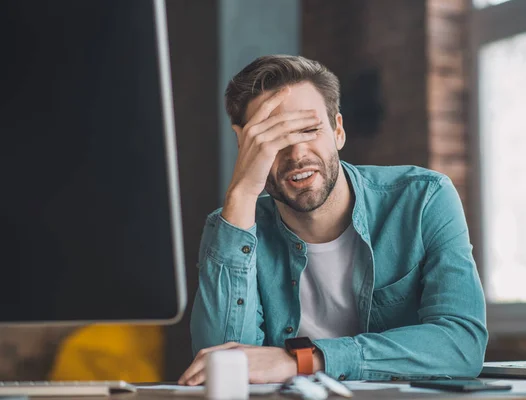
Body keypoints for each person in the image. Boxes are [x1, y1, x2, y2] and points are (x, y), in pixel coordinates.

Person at [179, 55, 487, 385]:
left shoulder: (423, 199)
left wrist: (302, 360)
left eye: (310, 130)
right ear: (244, 145)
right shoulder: (232, 228)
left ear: (338, 131)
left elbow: (462, 344)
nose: (297, 154)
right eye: (274, 138)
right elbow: (220, 369)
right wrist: (241, 194)